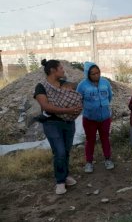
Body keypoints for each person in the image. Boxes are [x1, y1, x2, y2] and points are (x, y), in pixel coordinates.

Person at [34, 59, 82, 195]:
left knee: (66, 151)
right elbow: (46, 106)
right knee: (59, 152)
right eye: (61, 68)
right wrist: (68, 110)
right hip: (52, 123)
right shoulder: (41, 86)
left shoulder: (64, 84)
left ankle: (65, 176)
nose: (63, 70)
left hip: (68, 122)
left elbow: (75, 94)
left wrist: (76, 107)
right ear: (53, 70)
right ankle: (60, 181)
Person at [77, 62, 114, 173]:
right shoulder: (82, 85)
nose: (96, 75)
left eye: (97, 73)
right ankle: (89, 162)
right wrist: (90, 108)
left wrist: (103, 106)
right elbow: (78, 99)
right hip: (89, 118)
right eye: (93, 74)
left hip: (105, 117)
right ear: (87, 74)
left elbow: (110, 96)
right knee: (90, 140)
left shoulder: (105, 82)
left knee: (105, 138)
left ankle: (108, 159)